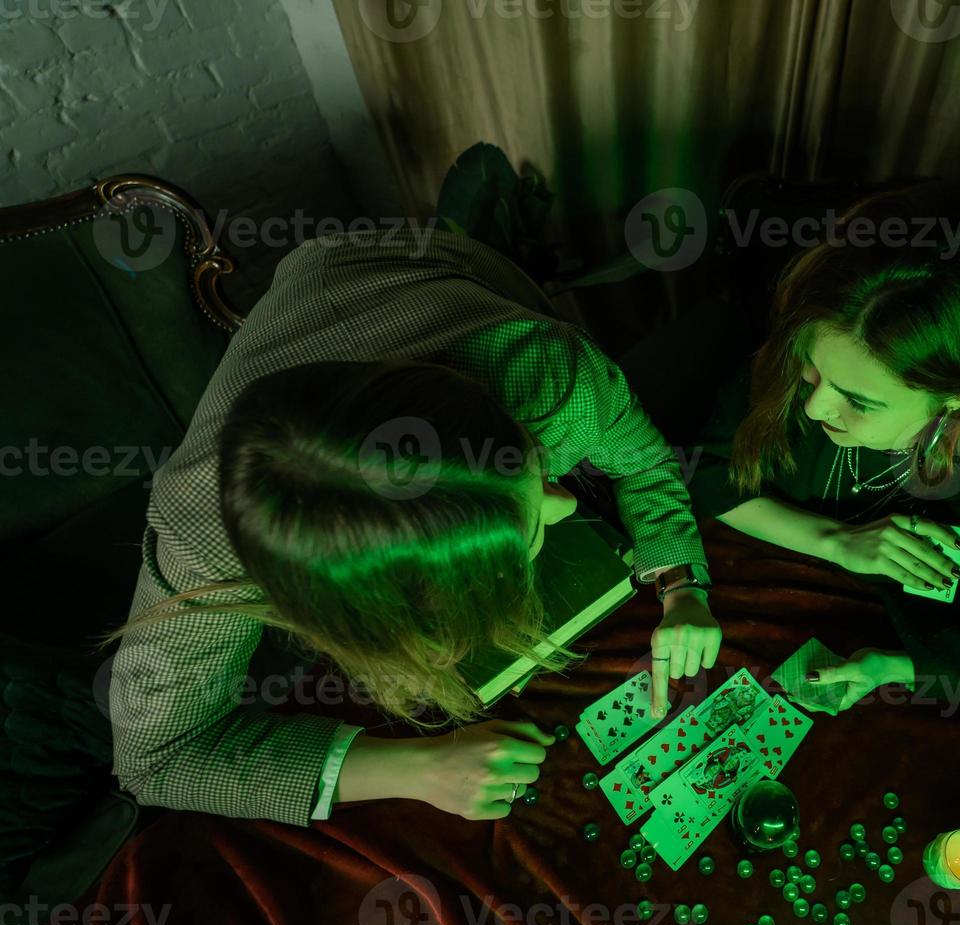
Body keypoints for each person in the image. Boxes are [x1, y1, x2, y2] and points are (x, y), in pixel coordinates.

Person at [106, 228, 720, 827]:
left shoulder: (550, 375)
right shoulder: (201, 546)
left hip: (401, 257)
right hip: (332, 307)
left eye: (534, 467)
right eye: (535, 509)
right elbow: (154, 759)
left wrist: (680, 581)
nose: (564, 505)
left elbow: (640, 458)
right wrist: (419, 767)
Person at [687, 180, 960, 717]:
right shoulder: (804, 367)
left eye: (858, 401)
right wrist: (837, 541)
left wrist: (890, 669)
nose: (815, 409)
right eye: (811, 370)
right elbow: (708, 474)